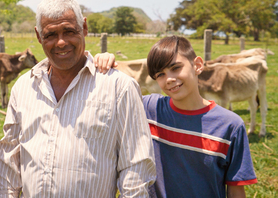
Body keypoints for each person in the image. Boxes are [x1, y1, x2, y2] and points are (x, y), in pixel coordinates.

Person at [0, 0, 156, 197]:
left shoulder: (118, 87)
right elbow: (10, 158)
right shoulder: (24, 88)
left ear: (85, 28)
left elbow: (136, 167)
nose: (61, 42)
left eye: (70, 31)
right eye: (50, 35)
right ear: (38, 36)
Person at [95, 36, 257, 197]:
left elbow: (236, 190)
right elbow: (110, 103)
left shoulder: (230, 125)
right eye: (160, 75)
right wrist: (104, 62)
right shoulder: (149, 108)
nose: (169, 79)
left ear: (198, 65)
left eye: (176, 68)